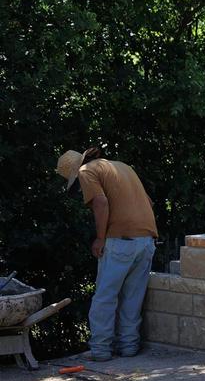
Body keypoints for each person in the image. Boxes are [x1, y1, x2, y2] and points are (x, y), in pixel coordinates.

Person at [56, 145, 157, 361]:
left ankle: (101, 351)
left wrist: (101, 238)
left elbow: (101, 202)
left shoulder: (86, 171)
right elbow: (148, 202)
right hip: (147, 240)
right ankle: (129, 347)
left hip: (120, 241)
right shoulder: (123, 167)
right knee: (132, 297)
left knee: (105, 297)